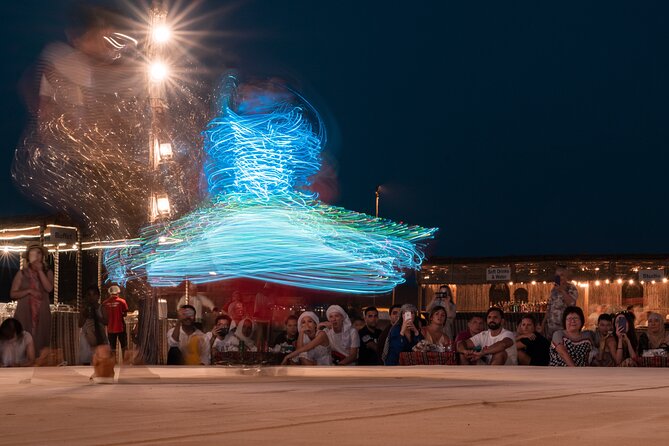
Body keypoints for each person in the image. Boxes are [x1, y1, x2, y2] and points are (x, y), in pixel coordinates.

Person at [10, 244, 54, 355]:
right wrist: (29, 290)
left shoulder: (47, 272)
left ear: (42, 256)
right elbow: (13, 294)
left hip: (42, 313)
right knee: (22, 342)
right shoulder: (21, 273)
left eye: (39, 253)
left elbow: (49, 288)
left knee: (41, 343)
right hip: (24, 313)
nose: (36, 256)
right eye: (33, 253)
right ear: (28, 257)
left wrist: (40, 271)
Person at [544, 266, 578, 340]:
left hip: (563, 327)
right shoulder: (554, 290)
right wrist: (543, 324)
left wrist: (562, 290)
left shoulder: (571, 288)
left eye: (562, 275)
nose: (560, 278)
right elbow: (549, 308)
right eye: (557, 276)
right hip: (551, 328)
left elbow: (572, 303)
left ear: (566, 276)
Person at [78, 285, 109, 365]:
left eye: (94, 294)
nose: (92, 297)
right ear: (86, 296)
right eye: (89, 295)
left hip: (100, 336)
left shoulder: (102, 308)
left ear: (98, 296)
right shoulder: (84, 308)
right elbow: (80, 324)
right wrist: (85, 315)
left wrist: (96, 316)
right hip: (86, 337)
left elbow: (106, 322)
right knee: (86, 360)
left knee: (100, 360)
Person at [102, 285, 128, 359]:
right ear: (118, 293)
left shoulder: (105, 303)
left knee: (112, 346)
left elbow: (103, 316)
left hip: (110, 328)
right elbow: (125, 314)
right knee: (124, 345)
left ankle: (113, 362)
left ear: (109, 293)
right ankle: (125, 361)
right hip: (120, 327)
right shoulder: (122, 301)